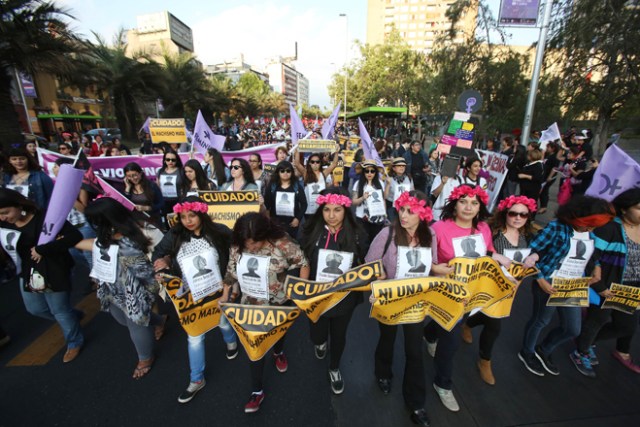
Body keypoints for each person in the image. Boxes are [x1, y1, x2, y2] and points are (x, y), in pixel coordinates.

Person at [423, 184, 510, 412]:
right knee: (451, 341)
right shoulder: (438, 228)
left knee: (449, 326)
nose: (468, 207)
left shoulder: (483, 228)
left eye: (474, 203)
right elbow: (426, 260)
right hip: (447, 292)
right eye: (463, 201)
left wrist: (498, 257)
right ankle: (442, 384)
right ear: (454, 205)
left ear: (480, 206)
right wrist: (437, 268)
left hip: (472, 292)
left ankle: (429, 333)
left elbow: (487, 252)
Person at [366, 191, 449, 427]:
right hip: (390, 300)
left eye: (410, 212)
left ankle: (416, 403)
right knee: (387, 339)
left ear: (422, 215)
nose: (403, 215)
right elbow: (369, 263)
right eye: (401, 209)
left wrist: (441, 270)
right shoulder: (387, 233)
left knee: (414, 351)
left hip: (415, 303)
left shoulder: (430, 234)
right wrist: (378, 279)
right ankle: (383, 373)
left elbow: (431, 264)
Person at [221, 212, 309, 413]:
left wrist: (301, 291)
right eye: (247, 243)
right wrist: (225, 295)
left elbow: (302, 263)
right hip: (250, 306)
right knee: (256, 349)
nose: (250, 247)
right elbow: (230, 272)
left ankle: (278, 352)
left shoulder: (282, 243)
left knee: (277, 334)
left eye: (255, 243)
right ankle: (257, 391)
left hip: (279, 303)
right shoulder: (237, 246)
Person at [152, 196, 236, 402]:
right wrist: (162, 260)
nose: (188, 220)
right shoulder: (174, 234)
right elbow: (158, 252)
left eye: (192, 215)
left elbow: (235, 257)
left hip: (218, 291)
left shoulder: (220, 232)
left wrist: (233, 287)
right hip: (190, 296)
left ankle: (231, 342)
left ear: (201, 214)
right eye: (183, 217)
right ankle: (197, 379)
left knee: (223, 323)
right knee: (194, 337)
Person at [519, 196, 615, 377]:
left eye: (594, 226)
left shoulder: (590, 233)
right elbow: (532, 251)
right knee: (541, 320)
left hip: (574, 284)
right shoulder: (556, 227)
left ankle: (544, 349)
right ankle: (527, 351)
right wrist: (540, 279)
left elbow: (593, 254)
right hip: (550, 281)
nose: (590, 229)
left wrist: (597, 267)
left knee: (572, 328)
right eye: (589, 224)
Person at [77, 197, 164, 379]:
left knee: (136, 325)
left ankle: (145, 358)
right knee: (121, 319)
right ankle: (159, 320)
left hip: (133, 291)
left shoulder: (128, 243)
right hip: (112, 288)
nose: (92, 225)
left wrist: (150, 293)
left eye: (95, 221)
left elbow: (143, 272)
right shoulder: (107, 236)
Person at [0, 188, 84, 363]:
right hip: (27, 271)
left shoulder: (45, 216)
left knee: (59, 310)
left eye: (5, 212)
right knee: (35, 308)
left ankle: (74, 341)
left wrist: (42, 249)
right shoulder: (3, 224)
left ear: (18, 205)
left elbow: (74, 236)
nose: (3, 218)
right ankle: (73, 316)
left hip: (54, 269)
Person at [462, 195, 538, 385]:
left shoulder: (528, 235)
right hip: (486, 283)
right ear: (505, 213)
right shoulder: (492, 232)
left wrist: (536, 255)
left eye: (523, 214)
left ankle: (467, 324)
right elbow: (475, 251)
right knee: (494, 324)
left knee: (488, 317)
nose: (518, 218)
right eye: (513, 213)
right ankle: (485, 361)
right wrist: (495, 257)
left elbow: (543, 249)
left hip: (511, 287)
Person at [300, 187, 368, 395]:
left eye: (337, 210)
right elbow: (303, 260)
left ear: (346, 210)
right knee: (318, 335)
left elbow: (365, 265)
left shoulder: (357, 234)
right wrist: (303, 286)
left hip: (344, 297)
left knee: (339, 335)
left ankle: (335, 367)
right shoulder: (310, 230)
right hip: (317, 295)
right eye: (327, 209)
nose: (331, 215)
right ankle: (320, 343)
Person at [573, 188, 640, 377]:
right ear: (625, 209)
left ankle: (586, 340)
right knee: (598, 320)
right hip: (607, 287)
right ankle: (581, 351)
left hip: (631, 288)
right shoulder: (610, 228)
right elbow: (590, 257)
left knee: (626, 326)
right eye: (638, 207)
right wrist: (599, 287)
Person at [264, 160, 306, 239]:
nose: (285, 173)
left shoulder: (297, 186)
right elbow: (267, 205)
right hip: (276, 224)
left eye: (288, 171)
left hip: (292, 224)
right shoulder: (272, 186)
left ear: (292, 172)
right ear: (278, 172)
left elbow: (304, 204)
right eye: (282, 171)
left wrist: (298, 219)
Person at [293, 150, 339, 218]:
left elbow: (334, 164)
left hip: (321, 208)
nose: (315, 163)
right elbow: (297, 164)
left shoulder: (324, 173)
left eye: (317, 162)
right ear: (309, 163)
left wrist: (337, 152)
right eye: (312, 162)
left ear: (320, 163)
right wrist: (297, 150)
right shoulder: (306, 173)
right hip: (309, 209)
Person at [351, 160, 387, 244]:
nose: (369, 173)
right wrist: (363, 198)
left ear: (375, 172)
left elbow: (383, 200)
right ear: (363, 172)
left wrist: (384, 213)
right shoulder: (358, 184)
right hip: (362, 218)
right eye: (367, 171)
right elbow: (353, 202)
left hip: (377, 218)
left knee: (375, 243)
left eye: (372, 171)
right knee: (363, 242)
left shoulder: (380, 183)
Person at [157, 150, 184, 221]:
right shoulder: (160, 171)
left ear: (177, 160)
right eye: (168, 159)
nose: (170, 162)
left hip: (178, 201)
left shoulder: (181, 171)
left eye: (173, 160)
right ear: (164, 160)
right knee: (167, 222)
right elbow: (158, 187)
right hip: (164, 202)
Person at [538, 142, 560, 215]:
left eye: (548, 147)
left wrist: (550, 176)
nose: (547, 149)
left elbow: (554, 168)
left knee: (544, 191)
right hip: (544, 175)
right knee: (542, 190)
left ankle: (544, 206)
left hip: (549, 177)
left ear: (553, 149)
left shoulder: (555, 157)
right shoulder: (548, 155)